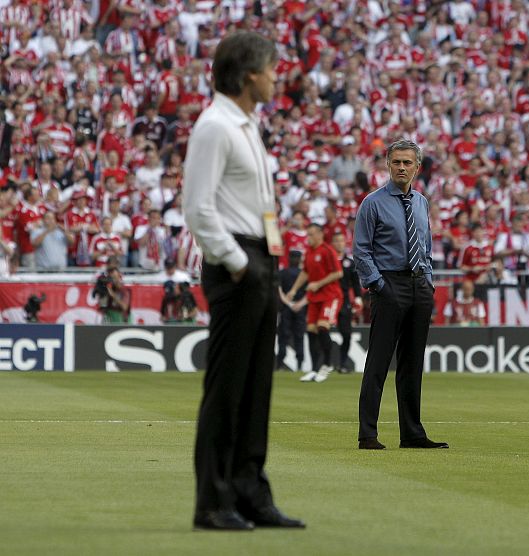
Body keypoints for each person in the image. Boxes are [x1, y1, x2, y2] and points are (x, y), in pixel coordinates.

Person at [183, 32, 304, 532]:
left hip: (259, 256)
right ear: (249, 74)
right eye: (271, 69)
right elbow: (198, 207)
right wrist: (238, 263)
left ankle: (250, 493)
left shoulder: (246, 125)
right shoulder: (215, 126)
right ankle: (213, 501)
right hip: (238, 260)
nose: (276, 77)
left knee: (256, 388)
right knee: (228, 388)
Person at [353, 139, 448, 450]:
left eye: (408, 163)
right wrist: (379, 286)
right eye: (396, 162)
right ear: (388, 165)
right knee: (378, 362)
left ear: (417, 167)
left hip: (419, 285)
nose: (402, 168)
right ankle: (368, 434)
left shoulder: (421, 203)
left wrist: (428, 282)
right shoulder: (372, 203)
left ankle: (412, 434)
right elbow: (361, 251)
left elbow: (427, 246)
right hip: (389, 284)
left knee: (412, 364)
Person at [285, 223, 343, 383]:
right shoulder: (309, 252)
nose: (308, 238)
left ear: (320, 234)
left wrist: (318, 283)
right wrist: (293, 290)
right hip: (314, 297)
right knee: (311, 331)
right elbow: (305, 272)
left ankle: (327, 364)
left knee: (322, 327)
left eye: (311, 234)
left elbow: (338, 273)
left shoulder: (327, 250)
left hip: (330, 296)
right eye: (307, 234)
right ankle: (314, 369)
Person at [331, 230, 362, 373]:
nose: (339, 244)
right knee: (322, 332)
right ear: (332, 243)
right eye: (337, 241)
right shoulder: (328, 260)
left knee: (347, 334)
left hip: (344, 302)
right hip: (328, 300)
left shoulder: (349, 263)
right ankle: (323, 363)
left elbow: (355, 283)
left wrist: (358, 298)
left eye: (342, 241)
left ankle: (342, 363)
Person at [277, 250, 307, 372]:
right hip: (299, 307)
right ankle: (299, 364)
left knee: (284, 336)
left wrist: (288, 303)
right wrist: (299, 304)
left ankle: (280, 364)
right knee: (299, 336)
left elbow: (279, 290)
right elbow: (309, 292)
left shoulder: (282, 273)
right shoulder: (304, 274)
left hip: (286, 307)